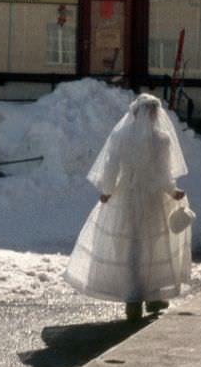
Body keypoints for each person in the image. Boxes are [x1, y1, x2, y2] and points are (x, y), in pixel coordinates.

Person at [64, 93, 192, 321]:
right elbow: (162, 174)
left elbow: (111, 166)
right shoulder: (161, 139)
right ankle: (153, 294)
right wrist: (173, 191)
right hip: (152, 198)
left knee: (130, 246)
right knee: (153, 244)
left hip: (126, 196)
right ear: (154, 115)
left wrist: (107, 191)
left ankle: (133, 298)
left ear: (134, 113)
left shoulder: (121, 136)